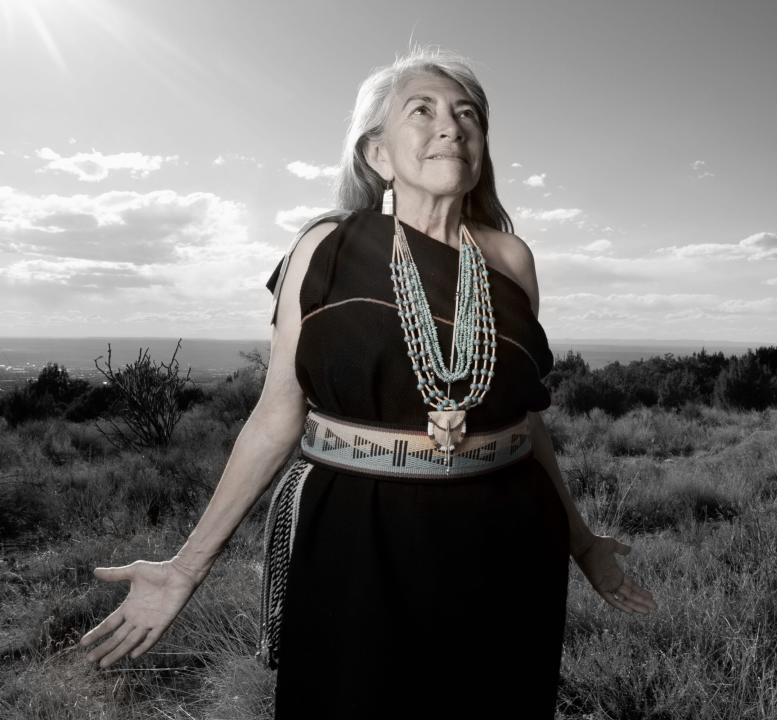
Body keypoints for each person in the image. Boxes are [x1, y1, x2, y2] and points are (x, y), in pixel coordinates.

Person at [78, 47, 657, 718]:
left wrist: (581, 542)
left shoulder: (510, 257)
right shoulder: (325, 247)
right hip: (361, 533)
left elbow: (523, 420)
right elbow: (275, 416)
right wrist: (185, 568)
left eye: (468, 114)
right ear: (379, 154)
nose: (451, 125)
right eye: (424, 110)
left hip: (508, 530)